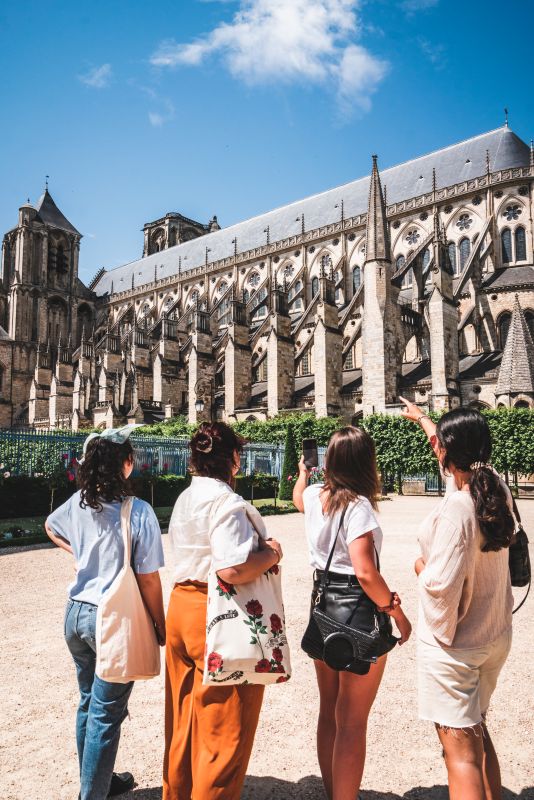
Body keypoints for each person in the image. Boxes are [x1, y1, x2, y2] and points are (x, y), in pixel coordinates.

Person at [400, 399, 515, 800]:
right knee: (479, 736)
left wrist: (419, 566)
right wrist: (425, 421)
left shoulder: (457, 510)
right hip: (493, 638)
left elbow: (439, 585)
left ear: (448, 453)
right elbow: (451, 457)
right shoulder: (495, 487)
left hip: (458, 648)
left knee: (461, 756)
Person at [164, 421, 283, 800]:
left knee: (183, 723)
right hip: (214, 613)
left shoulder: (186, 496)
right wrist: (271, 553)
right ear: (232, 458)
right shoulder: (226, 502)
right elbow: (230, 569)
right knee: (224, 731)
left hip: (181, 607)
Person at [45, 426, 166, 800]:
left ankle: (98, 780)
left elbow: (51, 526)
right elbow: (148, 580)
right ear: (125, 464)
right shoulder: (138, 511)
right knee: (106, 714)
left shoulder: (79, 502)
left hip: (76, 614)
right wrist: (160, 625)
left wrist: (80, 554)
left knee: (88, 702)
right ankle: (92, 794)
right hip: (111, 619)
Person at [293, 426, 412, 800]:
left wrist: (303, 473)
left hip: (324, 606)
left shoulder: (315, 496)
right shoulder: (357, 506)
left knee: (329, 710)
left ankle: (335, 793)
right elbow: (364, 571)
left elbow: (298, 497)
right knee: (353, 723)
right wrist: (395, 611)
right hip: (357, 611)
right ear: (365, 462)